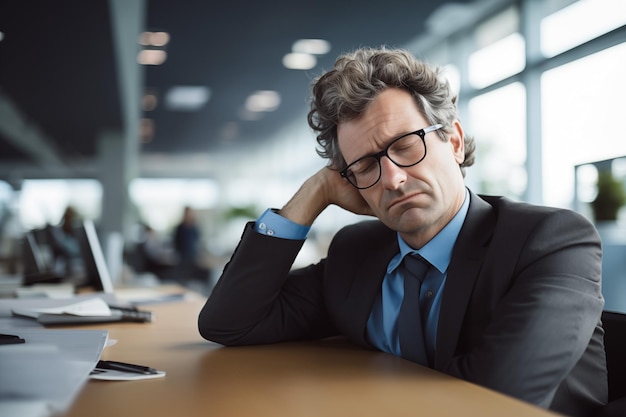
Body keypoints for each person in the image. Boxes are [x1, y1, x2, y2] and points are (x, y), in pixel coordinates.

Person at [197, 47, 606, 416]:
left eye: (406, 145)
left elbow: (494, 398)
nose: (391, 178)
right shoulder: (357, 251)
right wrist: (314, 193)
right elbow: (230, 323)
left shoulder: (549, 241)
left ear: (455, 141)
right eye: (365, 166)